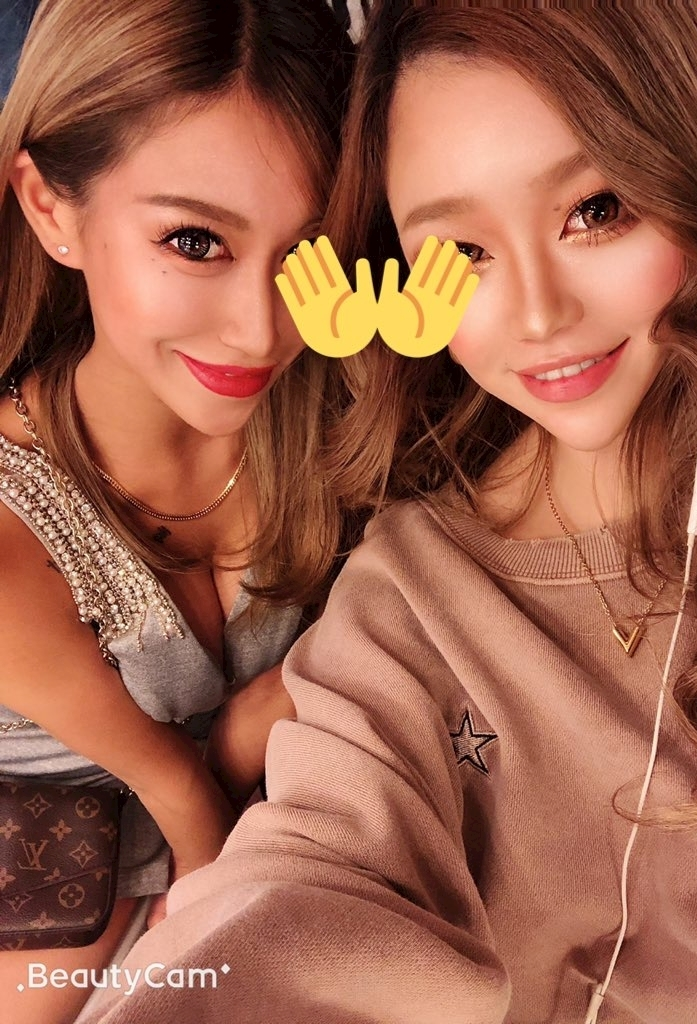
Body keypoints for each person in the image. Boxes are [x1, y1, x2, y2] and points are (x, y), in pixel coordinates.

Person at [81, 2, 697, 1023]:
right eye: (461, 255)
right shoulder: (413, 599)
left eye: (597, 210)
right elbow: (308, 875)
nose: (538, 314)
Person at [0, 0, 352, 1021]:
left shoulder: (349, 426)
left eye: (308, 255)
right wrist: (241, 740)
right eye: (195, 241)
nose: (261, 329)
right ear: (50, 207)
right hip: (60, 924)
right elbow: (190, 802)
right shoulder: (13, 530)